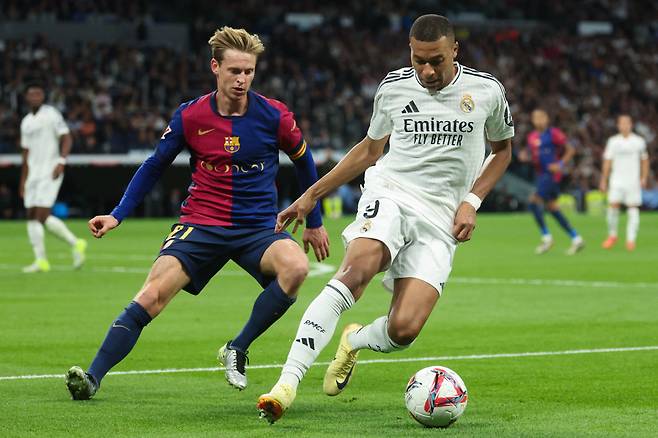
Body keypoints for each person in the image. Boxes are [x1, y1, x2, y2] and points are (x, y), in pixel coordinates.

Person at [257, 14, 514, 423]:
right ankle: (285, 384)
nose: (426, 71)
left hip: (441, 218)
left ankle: (354, 340)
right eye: (418, 60)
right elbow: (369, 151)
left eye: (435, 61)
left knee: (404, 330)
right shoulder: (394, 88)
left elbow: (502, 151)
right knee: (354, 273)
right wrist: (310, 195)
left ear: (454, 51)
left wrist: (472, 200)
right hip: (390, 193)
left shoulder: (485, 91)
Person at [65, 27, 329, 400]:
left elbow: (305, 163)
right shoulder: (191, 116)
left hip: (257, 229)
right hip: (201, 224)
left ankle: (237, 347)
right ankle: (91, 378)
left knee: (296, 268)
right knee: (152, 295)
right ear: (215, 68)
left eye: (249, 72)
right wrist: (117, 214)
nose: (242, 79)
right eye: (234, 71)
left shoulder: (274, 116)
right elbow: (155, 165)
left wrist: (314, 222)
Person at [19, 82, 87, 273]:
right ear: (27, 97)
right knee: (31, 215)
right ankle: (41, 260)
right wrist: (23, 180)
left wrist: (61, 161)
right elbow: (25, 153)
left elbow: (67, 138)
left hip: (50, 170)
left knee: (41, 214)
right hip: (32, 173)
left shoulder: (51, 114)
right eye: (32, 94)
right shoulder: (26, 121)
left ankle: (76, 243)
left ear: (43, 96)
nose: (35, 97)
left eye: (38, 94)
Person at [521, 108, 584, 255]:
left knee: (533, 201)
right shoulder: (532, 137)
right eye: (535, 117)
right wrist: (526, 156)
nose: (539, 120)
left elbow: (571, 149)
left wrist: (560, 164)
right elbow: (535, 156)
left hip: (551, 175)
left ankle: (546, 237)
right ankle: (576, 238)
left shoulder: (553, 133)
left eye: (541, 117)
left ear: (547, 119)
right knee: (553, 208)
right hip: (541, 175)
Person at [599, 115, 649, 251]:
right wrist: (603, 179)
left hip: (632, 180)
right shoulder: (613, 141)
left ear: (631, 125)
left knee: (633, 208)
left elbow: (644, 160)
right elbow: (607, 161)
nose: (624, 126)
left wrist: (644, 177)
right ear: (618, 125)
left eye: (627, 123)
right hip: (616, 180)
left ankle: (631, 240)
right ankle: (612, 235)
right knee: (612, 207)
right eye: (622, 123)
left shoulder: (639, 141)